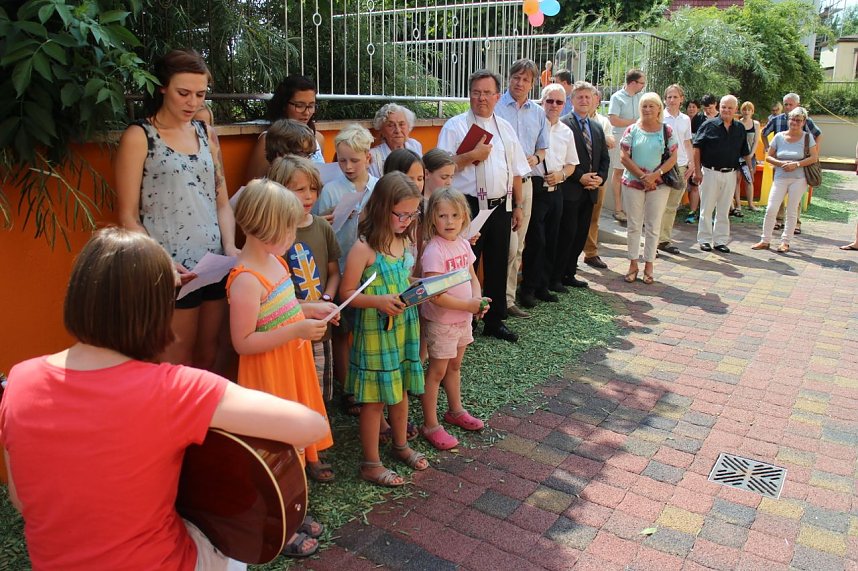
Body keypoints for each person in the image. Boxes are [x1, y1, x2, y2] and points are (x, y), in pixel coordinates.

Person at [0, 227, 329, 570]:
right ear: (156, 310)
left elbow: (21, 500)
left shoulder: (20, 379)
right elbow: (309, 427)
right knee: (231, 553)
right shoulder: (175, 389)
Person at [226, 180, 337, 545]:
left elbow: (282, 311)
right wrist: (296, 331)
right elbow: (243, 342)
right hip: (268, 377)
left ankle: (294, 512)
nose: (293, 235)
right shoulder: (245, 280)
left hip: (291, 367)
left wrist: (311, 309)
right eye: (288, 228)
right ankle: (277, 526)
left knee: (293, 449)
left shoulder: (274, 262)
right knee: (275, 455)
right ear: (263, 227)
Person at [115, 48, 238, 370]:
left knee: (209, 355)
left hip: (212, 262)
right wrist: (162, 262)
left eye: (200, 94)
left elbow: (221, 201)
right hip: (167, 269)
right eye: (184, 93)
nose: (193, 102)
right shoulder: (140, 136)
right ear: (162, 87)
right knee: (172, 361)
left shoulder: (206, 133)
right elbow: (128, 215)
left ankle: (203, 422)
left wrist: (230, 247)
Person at [339, 172, 427, 487]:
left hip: (403, 327)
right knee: (375, 400)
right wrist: (378, 302)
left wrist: (421, 287)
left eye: (412, 214)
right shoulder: (364, 248)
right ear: (380, 208)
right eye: (400, 214)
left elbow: (404, 280)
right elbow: (346, 294)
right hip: (375, 334)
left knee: (401, 389)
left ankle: (401, 445)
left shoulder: (404, 241)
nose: (406, 220)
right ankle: (371, 463)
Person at [437, 69, 530, 343]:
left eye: (487, 93)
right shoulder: (455, 126)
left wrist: (518, 205)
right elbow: (442, 167)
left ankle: (494, 320)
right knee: (465, 263)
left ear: (497, 96)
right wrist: (470, 156)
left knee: (498, 262)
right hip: (466, 207)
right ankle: (464, 318)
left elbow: (516, 169)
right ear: (469, 94)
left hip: (501, 205)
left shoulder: (505, 127)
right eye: (476, 92)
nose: (481, 98)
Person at [267, 157, 342, 406]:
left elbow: (333, 272)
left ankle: (315, 439)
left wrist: (327, 300)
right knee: (290, 392)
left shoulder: (322, 227)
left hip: (320, 327)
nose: (309, 196)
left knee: (317, 394)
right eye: (299, 190)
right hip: (287, 327)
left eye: (313, 189)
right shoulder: (274, 234)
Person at [419, 188, 489, 450]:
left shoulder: (462, 243)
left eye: (455, 215)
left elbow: (471, 276)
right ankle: (431, 424)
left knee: (455, 366)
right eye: (442, 215)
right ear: (432, 219)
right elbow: (435, 295)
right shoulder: (433, 251)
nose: (449, 221)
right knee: (436, 371)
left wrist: (478, 300)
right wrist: (468, 305)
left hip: (463, 319)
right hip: (442, 322)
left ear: (464, 218)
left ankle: (455, 410)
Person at [496, 58, 550, 319]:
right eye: (516, 77)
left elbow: (542, 148)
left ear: (532, 83)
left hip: (526, 184)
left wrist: (536, 159)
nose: (520, 82)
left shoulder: (538, 112)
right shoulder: (494, 106)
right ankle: (489, 299)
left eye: (525, 79)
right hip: (497, 184)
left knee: (518, 245)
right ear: (509, 78)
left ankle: (507, 299)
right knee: (498, 245)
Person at [520, 82, 578, 303]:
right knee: (536, 241)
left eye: (559, 102)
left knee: (552, 239)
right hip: (535, 187)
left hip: (557, 190)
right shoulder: (533, 124)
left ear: (565, 104)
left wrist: (561, 176)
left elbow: (571, 164)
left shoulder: (566, 131)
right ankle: (528, 289)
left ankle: (543, 286)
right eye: (550, 101)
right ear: (541, 101)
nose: (554, 105)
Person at [553, 81, 609, 289]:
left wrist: (599, 178)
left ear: (595, 100)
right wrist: (581, 177)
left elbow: (604, 157)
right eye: (580, 97)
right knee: (566, 234)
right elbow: (562, 159)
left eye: (588, 97)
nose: (584, 101)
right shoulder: (564, 124)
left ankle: (570, 273)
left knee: (580, 235)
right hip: (571, 189)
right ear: (572, 100)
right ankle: (556, 276)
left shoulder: (596, 127)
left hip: (590, 191)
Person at [619, 92, 678, 284]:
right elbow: (624, 157)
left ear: (659, 108)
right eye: (644, 106)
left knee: (653, 226)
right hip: (633, 182)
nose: (647, 109)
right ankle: (633, 263)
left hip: (659, 185)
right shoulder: (632, 130)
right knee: (634, 225)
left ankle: (649, 264)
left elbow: (673, 157)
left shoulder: (666, 130)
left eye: (651, 106)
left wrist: (655, 175)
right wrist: (642, 176)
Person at [751, 107, 818, 253]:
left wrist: (797, 164)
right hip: (780, 177)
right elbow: (768, 156)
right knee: (771, 208)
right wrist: (781, 163)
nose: (795, 122)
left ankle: (785, 242)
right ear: (788, 120)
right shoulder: (779, 136)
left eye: (798, 120)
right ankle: (765, 240)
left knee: (792, 210)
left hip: (799, 178)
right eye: (793, 119)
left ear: (803, 122)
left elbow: (813, 157)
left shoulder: (807, 137)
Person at [693, 94, 753, 254]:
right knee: (706, 208)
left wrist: (749, 171)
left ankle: (720, 240)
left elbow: (745, 152)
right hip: (710, 172)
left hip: (730, 174)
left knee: (724, 209)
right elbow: (696, 148)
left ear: (735, 109)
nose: (726, 110)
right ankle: (705, 240)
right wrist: (697, 171)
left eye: (730, 108)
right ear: (719, 107)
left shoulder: (740, 128)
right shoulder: (708, 125)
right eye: (724, 107)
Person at [762, 93, 823, 234]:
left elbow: (818, 134)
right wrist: (767, 148)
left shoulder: (805, 121)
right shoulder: (777, 120)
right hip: (780, 165)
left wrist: (812, 152)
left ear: (798, 105)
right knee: (776, 198)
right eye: (786, 104)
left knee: (795, 201)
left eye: (791, 104)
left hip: (799, 170)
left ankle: (796, 224)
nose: (788, 107)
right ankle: (778, 220)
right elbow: (764, 133)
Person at [246, 75, 325, 180]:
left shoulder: (318, 138)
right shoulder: (268, 140)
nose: (307, 112)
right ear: (284, 105)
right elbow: (253, 185)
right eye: (299, 105)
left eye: (311, 106)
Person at [657, 84, 694, 255]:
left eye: (675, 97)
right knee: (657, 204)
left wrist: (692, 163)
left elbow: (687, 142)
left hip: (681, 165)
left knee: (672, 205)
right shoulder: (659, 117)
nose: (672, 100)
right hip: (662, 165)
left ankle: (664, 240)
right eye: (669, 97)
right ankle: (652, 240)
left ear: (681, 99)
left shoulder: (685, 119)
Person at [608, 69, 647, 224]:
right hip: (621, 138)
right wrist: (634, 122)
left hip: (638, 138)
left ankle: (635, 210)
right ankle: (618, 209)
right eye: (642, 83)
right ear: (633, 83)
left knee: (637, 172)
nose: (644, 86)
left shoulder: (641, 97)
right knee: (618, 172)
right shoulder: (617, 97)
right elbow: (613, 120)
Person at [582, 86, 615, 270]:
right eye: (584, 97)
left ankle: (591, 253)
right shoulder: (569, 121)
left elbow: (610, 144)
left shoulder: (603, 122)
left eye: (592, 97)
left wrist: (600, 178)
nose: (588, 101)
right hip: (575, 177)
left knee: (594, 217)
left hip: (597, 177)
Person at [368, 103, 424, 178]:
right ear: (381, 130)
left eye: (401, 124)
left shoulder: (414, 145)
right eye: (390, 125)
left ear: (409, 126)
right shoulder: (374, 156)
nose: (397, 130)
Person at [733, 101, 761, 215]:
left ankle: (751, 204)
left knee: (749, 179)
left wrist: (751, 154)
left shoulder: (756, 124)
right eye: (744, 109)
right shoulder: (738, 123)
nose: (746, 112)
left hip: (750, 156)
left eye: (749, 110)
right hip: (738, 156)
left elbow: (756, 141)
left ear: (752, 111)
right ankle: (738, 205)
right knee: (737, 180)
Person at [684, 98, 705, 224]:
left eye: (694, 107)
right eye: (689, 106)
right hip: (682, 157)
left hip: (696, 157)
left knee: (694, 184)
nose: (691, 109)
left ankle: (693, 212)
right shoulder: (682, 121)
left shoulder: (702, 122)